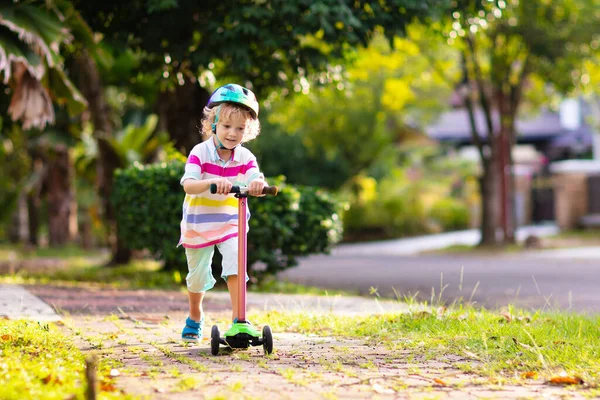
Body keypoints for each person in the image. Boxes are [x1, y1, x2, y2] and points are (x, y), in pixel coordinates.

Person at [178, 83, 267, 343]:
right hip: (199, 224)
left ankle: (240, 321)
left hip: (231, 222)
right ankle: (195, 315)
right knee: (197, 277)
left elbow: (254, 176)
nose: (232, 133)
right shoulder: (200, 152)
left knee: (236, 265)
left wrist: (258, 184)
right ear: (213, 124)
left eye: (240, 128)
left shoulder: (246, 156)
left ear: (247, 130)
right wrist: (211, 183)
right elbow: (188, 184)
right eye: (227, 126)